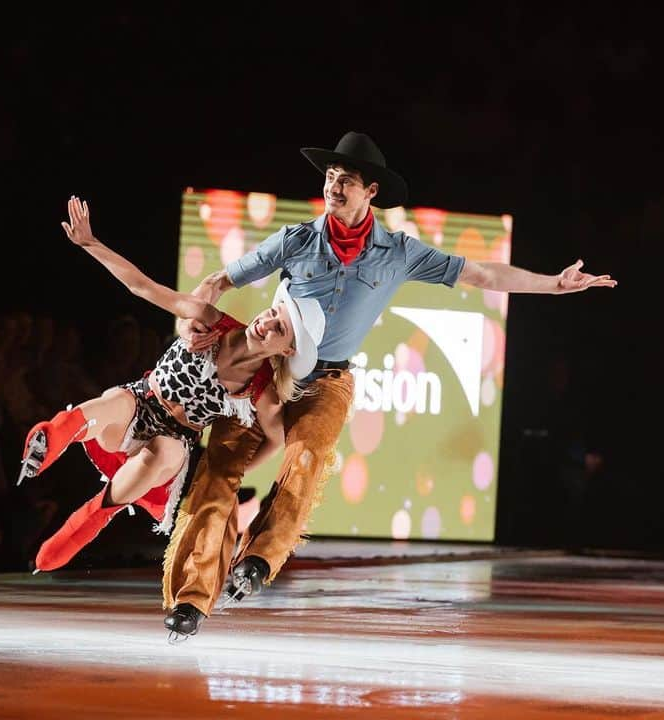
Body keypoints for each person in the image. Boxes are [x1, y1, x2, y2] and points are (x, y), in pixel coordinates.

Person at [162, 131, 617, 638]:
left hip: (328, 379)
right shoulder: (294, 239)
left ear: (370, 191)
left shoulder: (398, 253)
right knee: (218, 473)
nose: (334, 188)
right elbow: (217, 283)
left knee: (306, 459)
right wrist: (189, 327)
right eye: (331, 178)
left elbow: (485, 275)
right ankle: (192, 601)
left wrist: (554, 283)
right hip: (265, 377)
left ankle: (258, 563)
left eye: (346, 181)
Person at [18, 196, 326, 581]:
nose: (267, 322)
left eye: (279, 328)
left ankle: (84, 525)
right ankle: (49, 438)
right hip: (141, 402)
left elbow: (278, 440)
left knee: (165, 450)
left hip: (175, 440)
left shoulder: (261, 389)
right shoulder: (211, 320)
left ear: (287, 350)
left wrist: (233, 468)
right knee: (115, 401)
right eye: (273, 313)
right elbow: (143, 287)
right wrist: (91, 244)